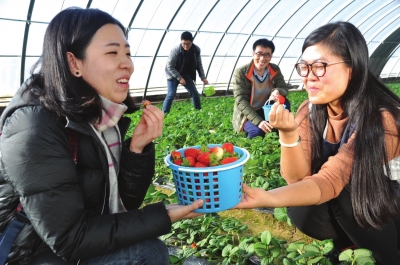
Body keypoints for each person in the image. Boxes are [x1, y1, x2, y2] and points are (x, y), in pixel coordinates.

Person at [0, 7, 203, 265]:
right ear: (74, 63)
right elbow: (69, 238)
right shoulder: (34, 126)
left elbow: (123, 204)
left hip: (67, 245)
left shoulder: (100, 114)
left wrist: (136, 149)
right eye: (112, 52)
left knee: (150, 250)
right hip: (31, 254)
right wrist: (162, 215)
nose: (127, 63)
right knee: (146, 253)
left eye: (127, 53)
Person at [235, 21, 400, 265]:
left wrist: (267, 198)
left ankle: (388, 255)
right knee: (300, 204)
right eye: (304, 67)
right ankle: (348, 244)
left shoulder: (382, 117)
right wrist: (289, 134)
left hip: (390, 204)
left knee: (348, 187)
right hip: (358, 204)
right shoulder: (311, 110)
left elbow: (334, 179)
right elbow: (297, 180)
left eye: (320, 67)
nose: (308, 78)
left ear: (352, 69)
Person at [232, 38, 290, 139]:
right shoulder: (241, 72)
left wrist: (277, 91)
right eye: (259, 54)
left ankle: (280, 127)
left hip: (266, 109)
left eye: (267, 54)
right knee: (257, 133)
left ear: (271, 56)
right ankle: (249, 130)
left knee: (285, 103)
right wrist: (259, 122)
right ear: (253, 54)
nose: (262, 58)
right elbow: (240, 100)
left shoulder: (274, 69)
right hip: (249, 113)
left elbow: (283, 88)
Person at [163, 31, 208, 113]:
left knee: (195, 94)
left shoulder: (196, 50)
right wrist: (179, 78)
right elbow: (170, 66)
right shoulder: (175, 50)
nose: (186, 46)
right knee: (171, 94)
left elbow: (198, 64)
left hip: (185, 73)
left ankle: (198, 113)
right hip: (172, 74)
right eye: (184, 43)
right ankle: (164, 114)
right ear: (181, 41)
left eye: (188, 44)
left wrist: (203, 77)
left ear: (192, 42)